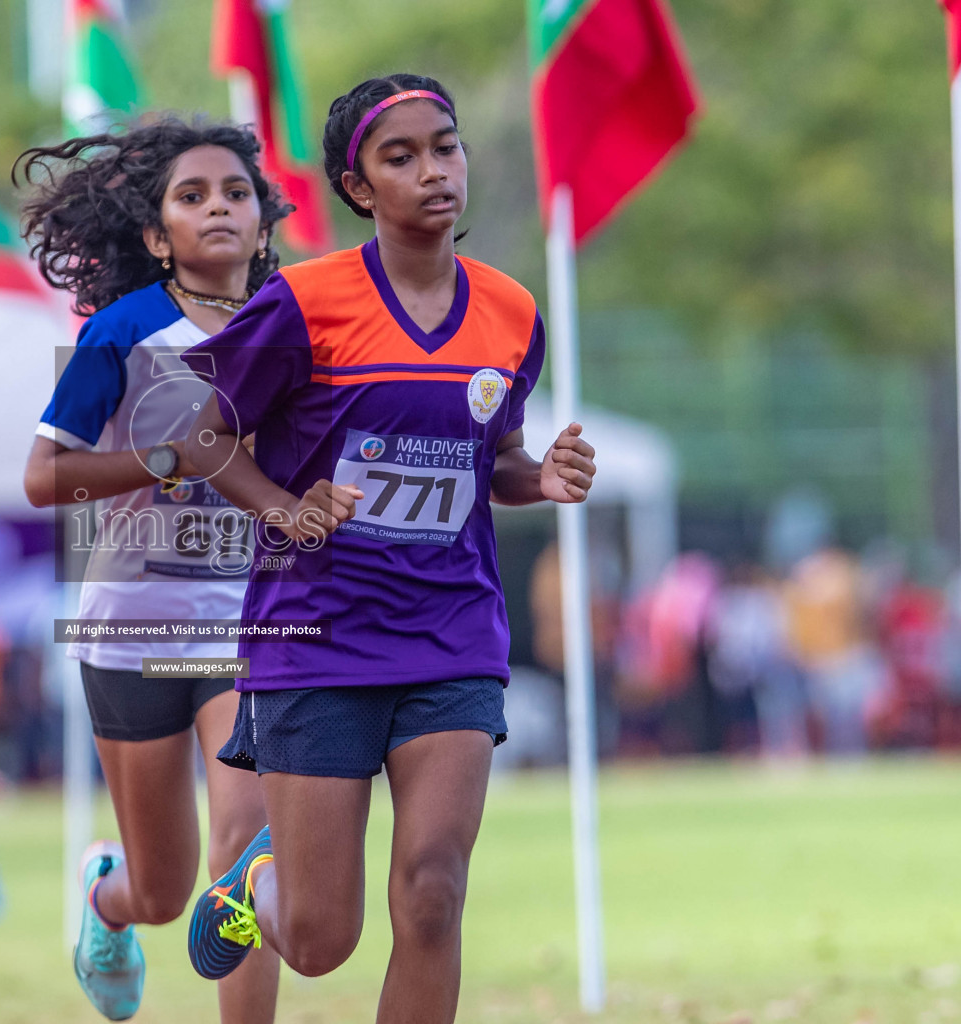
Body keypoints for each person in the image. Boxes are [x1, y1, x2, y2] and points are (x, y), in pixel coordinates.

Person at [179, 75, 597, 1021]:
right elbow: (198, 438)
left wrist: (545, 479)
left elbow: (491, 461)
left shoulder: (510, 312)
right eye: (399, 157)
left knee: (434, 891)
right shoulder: (306, 303)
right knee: (323, 943)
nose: (432, 170)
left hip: (451, 632)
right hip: (315, 640)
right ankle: (257, 884)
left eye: (444, 146)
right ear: (357, 186)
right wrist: (284, 508)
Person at [16, 118, 288, 1022]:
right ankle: (106, 895)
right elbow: (42, 476)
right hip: (127, 633)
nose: (218, 206)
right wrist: (169, 461)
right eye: (192, 195)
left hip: (247, 630)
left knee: (246, 850)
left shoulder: (293, 322)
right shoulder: (122, 331)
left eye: (236, 193)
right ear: (154, 233)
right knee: (166, 892)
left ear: (263, 217)